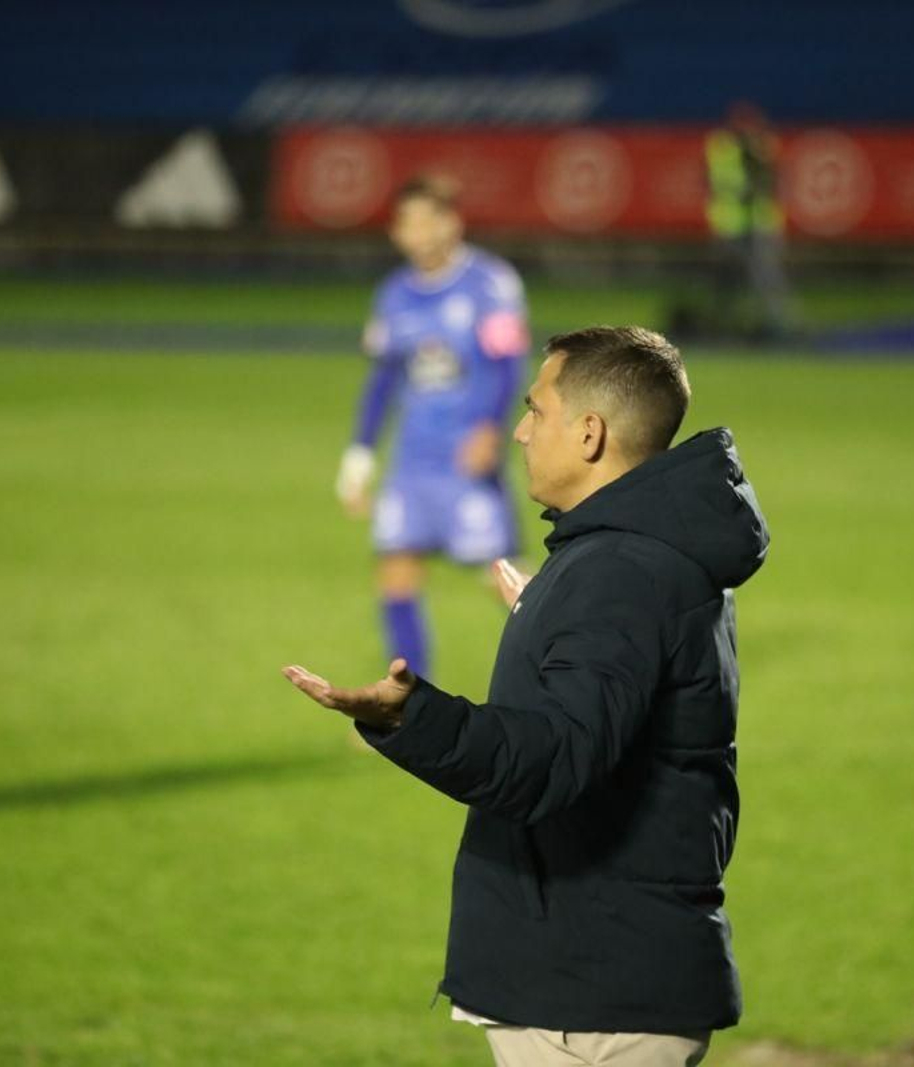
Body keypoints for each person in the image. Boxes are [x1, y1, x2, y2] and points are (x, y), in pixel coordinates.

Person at [287, 326, 769, 1067]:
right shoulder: (623, 559)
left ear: (589, 433)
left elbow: (551, 761)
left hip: (596, 994)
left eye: (536, 410)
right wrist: (552, 627)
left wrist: (409, 715)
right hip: (595, 975)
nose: (519, 430)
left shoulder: (621, 574)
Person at [336, 174, 530, 680]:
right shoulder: (393, 295)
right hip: (412, 463)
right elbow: (382, 382)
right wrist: (359, 458)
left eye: (427, 219)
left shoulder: (490, 284)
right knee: (396, 575)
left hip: (467, 459)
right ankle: (409, 705)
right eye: (406, 222)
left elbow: (509, 364)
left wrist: (489, 428)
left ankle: (588, 658)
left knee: (502, 580)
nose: (417, 231)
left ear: (452, 223)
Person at [703, 101, 790, 338]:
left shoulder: (763, 146)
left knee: (766, 278)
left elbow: (773, 182)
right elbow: (715, 182)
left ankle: (776, 326)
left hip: (758, 224)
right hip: (730, 224)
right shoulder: (721, 147)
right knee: (727, 282)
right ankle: (724, 326)